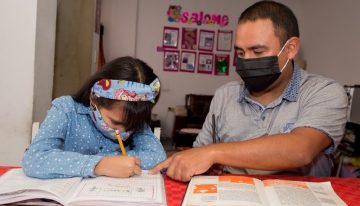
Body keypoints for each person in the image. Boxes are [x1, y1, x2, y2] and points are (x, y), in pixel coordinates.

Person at [150, 1, 348, 181]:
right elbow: (198, 153)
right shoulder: (225, 95)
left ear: (290, 49)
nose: (247, 60)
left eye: (258, 51)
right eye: (241, 52)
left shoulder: (325, 92)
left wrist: (213, 153)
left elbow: (300, 150)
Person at [22, 56, 166, 179]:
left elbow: (157, 157)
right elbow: (34, 159)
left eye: (130, 127)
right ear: (95, 99)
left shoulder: (134, 119)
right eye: (115, 122)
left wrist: (117, 163)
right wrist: (100, 164)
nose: (123, 132)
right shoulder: (66, 109)